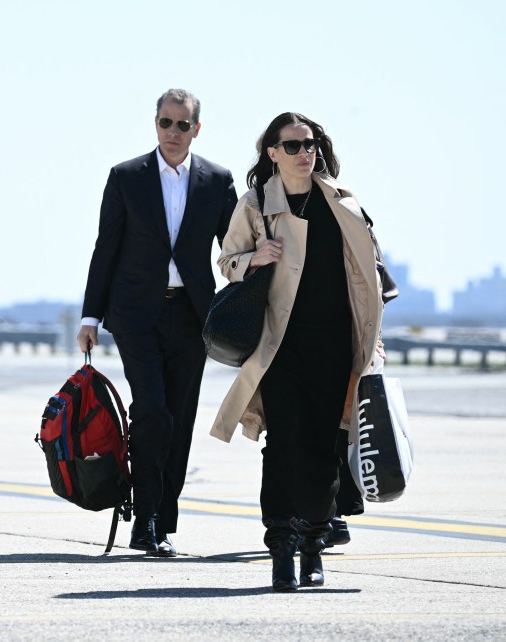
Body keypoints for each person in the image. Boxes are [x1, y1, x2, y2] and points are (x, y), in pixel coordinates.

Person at [210, 112, 387, 591]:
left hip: (335, 343)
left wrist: (372, 346)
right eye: (292, 146)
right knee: (283, 445)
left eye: (310, 144)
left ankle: (314, 545)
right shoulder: (256, 205)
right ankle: (282, 549)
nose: (304, 153)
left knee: (324, 448)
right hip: (279, 345)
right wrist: (254, 259)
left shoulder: (342, 202)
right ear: (272, 153)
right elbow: (227, 262)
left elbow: (369, 276)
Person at [77, 89, 238, 556]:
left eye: (182, 125)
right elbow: (104, 248)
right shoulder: (126, 177)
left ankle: (162, 522)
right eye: (165, 123)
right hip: (134, 314)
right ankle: (143, 518)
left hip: (192, 317)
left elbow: (233, 247)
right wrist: (91, 315)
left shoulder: (217, 180)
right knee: (153, 410)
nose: (172, 132)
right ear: (155, 124)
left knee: (180, 419)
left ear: (196, 130)